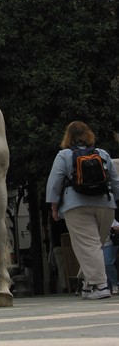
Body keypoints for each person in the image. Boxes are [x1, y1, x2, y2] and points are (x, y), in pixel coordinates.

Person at [46, 120, 119, 300]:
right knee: (94, 245)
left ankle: (101, 285)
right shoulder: (102, 153)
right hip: (105, 204)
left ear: (67, 137)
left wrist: (54, 208)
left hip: (76, 205)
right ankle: (87, 285)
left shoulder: (64, 155)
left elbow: (54, 183)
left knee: (88, 246)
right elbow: (115, 181)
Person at [102, 218, 119, 294]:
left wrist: (114, 228)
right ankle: (106, 286)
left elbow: (117, 226)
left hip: (108, 243)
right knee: (101, 266)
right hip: (94, 245)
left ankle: (114, 284)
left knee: (108, 263)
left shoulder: (106, 215)